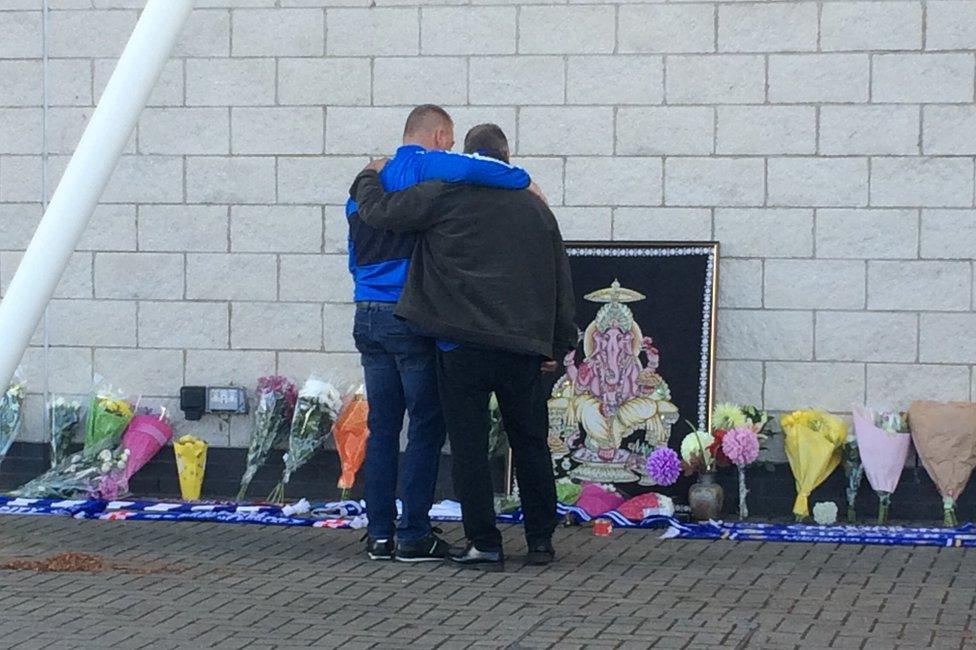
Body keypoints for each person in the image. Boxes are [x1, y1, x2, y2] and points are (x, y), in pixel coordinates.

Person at [350, 124, 577, 568]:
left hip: (462, 345)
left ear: (468, 159)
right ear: (506, 159)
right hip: (524, 347)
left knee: (469, 447)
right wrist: (560, 342)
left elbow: (378, 212)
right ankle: (540, 542)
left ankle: (484, 543)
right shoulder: (537, 209)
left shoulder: (443, 194)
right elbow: (560, 278)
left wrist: (367, 174)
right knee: (530, 443)